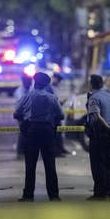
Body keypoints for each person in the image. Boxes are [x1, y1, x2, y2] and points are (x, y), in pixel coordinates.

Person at [14, 72, 64, 202]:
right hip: (47, 132)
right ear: (47, 84)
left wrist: (24, 126)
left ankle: (28, 195)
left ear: (35, 82)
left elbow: (17, 113)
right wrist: (53, 126)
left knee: (30, 165)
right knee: (50, 165)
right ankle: (54, 195)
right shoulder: (52, 98)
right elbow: (60, 115)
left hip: (32, 131)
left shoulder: (27, 96)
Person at [85, 74, 110, 201]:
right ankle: (107, 193)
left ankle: (99, 193)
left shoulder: (93, 98)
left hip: (99, 133)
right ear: (101, 84)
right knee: (106, 163)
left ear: (91, 84)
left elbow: (97, 116)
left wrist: (107, 128)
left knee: (96, 164)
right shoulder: (109, 95)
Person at [49, 73, 69, 157]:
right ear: (54, 78)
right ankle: (56, 151)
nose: (59, 82)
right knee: (55, 134)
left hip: (56, 114)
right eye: (58, 80)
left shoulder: (54, 88)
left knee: (59, 132)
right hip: (52, 115)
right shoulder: (49, 88)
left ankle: (61, 149)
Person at [14, 74, 32, 159]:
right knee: (22, 134)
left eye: (29, 82)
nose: (28, 83)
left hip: (29, 115)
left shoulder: (31, 90)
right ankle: (20, 152)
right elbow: (22, 104)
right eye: (27, 82)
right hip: (21, 115)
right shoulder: (19, 91)